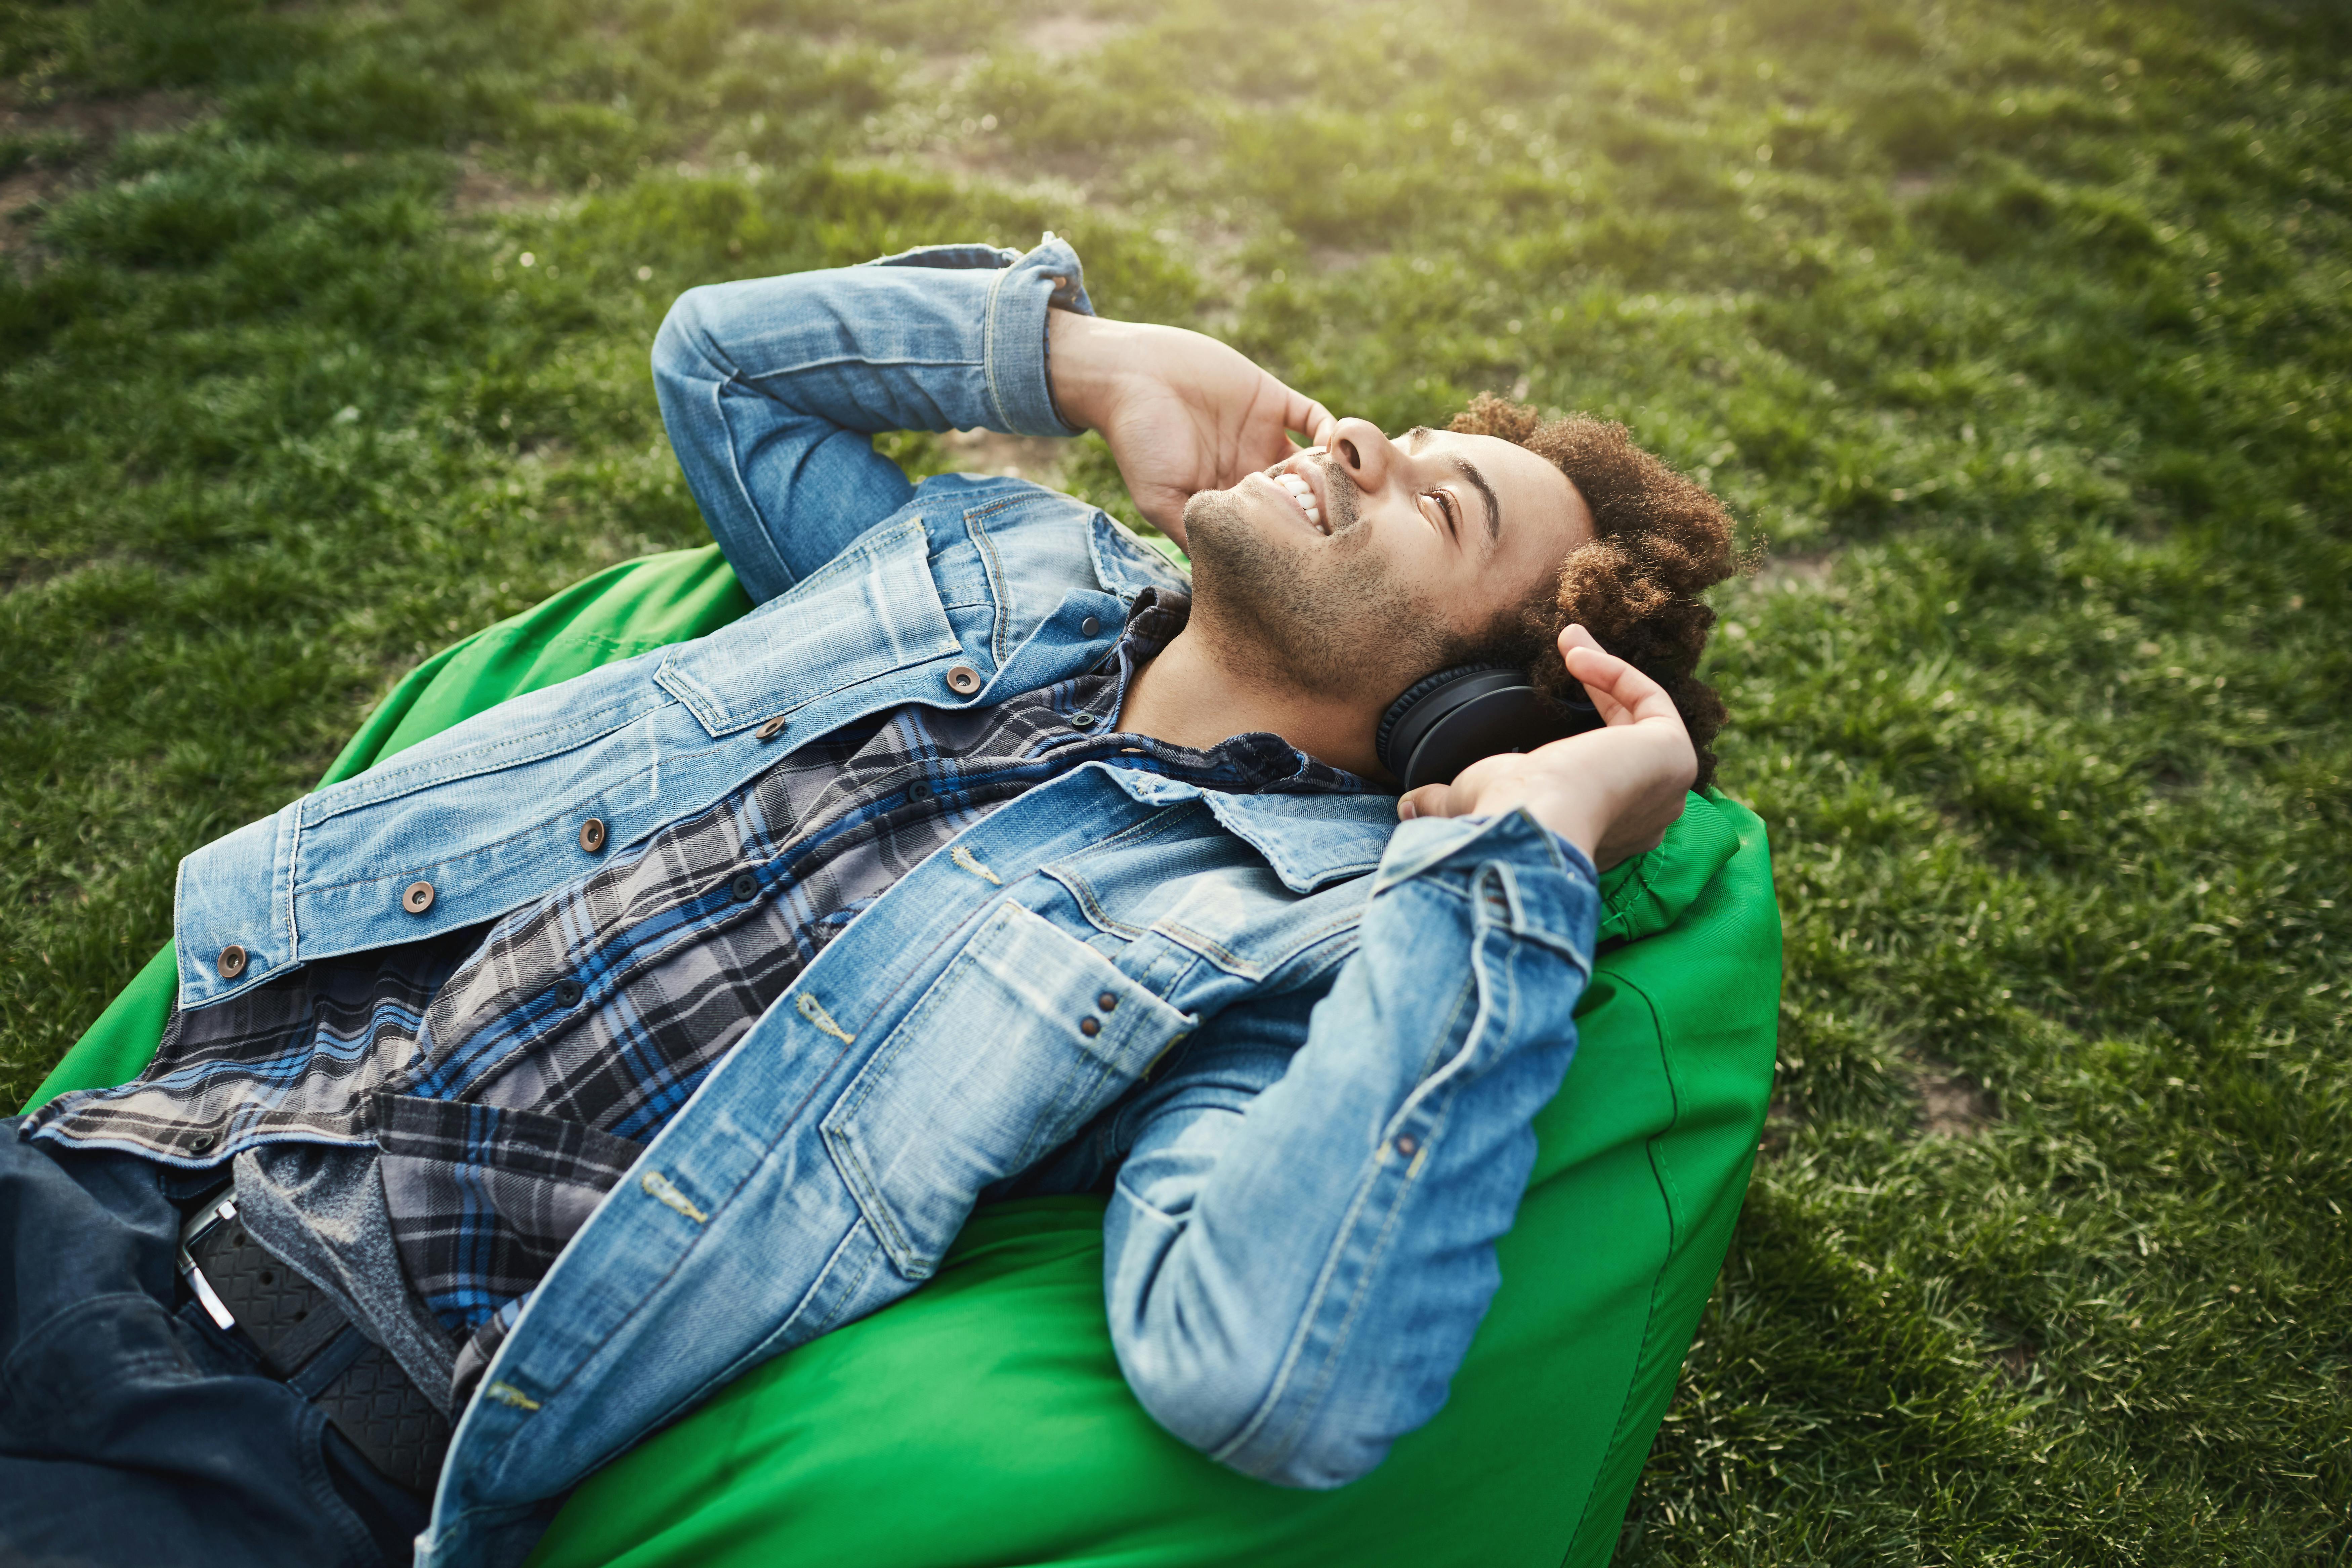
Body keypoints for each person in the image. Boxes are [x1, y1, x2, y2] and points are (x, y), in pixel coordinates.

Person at [1, 236, 1737, 1568]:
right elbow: (722, 369)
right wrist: (1081, 355)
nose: (1355, 432)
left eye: (1435, 499)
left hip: (285, 1429)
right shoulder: (999, 564)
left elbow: (1271, 1374)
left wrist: (1517, 850)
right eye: (1404, 427)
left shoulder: (1281, 948)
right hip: (127, 1154)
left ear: (1476, 707)